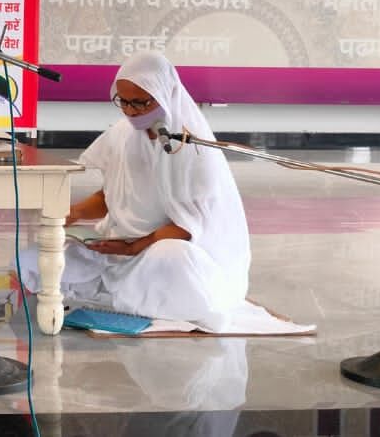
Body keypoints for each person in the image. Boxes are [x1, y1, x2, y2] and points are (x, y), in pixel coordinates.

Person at [16, 52, 251, 331]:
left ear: (164, 94)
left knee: (174, 258)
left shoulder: (194, 148)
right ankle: (126, 296)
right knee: (30, 260)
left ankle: (122, 297)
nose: (130, 111)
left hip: (159, 249)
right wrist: (73, 214)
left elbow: (190, 226)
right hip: (115, 248)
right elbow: (111, 196)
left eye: (140, 102)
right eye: (123, 102)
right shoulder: (122, 134)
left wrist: (134, 247)